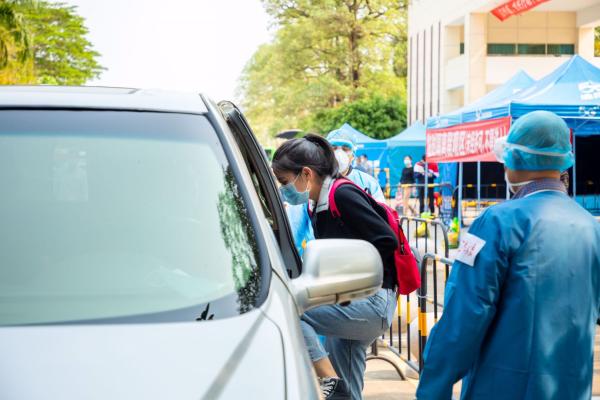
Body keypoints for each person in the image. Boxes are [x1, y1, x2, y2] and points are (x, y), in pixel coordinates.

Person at [416, 111, 600, 399]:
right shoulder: (591, 226)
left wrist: (433, 389)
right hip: (571, 388)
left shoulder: (496, 222)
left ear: (516, 159)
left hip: (503, 387)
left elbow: (464, 316)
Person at [272, 134, 398, 400]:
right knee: (348, 394)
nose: (283, 189)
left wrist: (352, 279)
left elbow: (386, 240)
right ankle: (338, 387)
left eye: (284, 181)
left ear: (306, 174)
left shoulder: (342, 195)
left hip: (372, 302)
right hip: (351, 300)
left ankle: (329, 379)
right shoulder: (319, 203)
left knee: (291, 310)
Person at [326, 130, 385, 202]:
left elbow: (381, 207)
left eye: (345, 149)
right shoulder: (319, 182)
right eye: (334, 148)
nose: (339, 153)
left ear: (353, 156)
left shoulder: (368, 182)